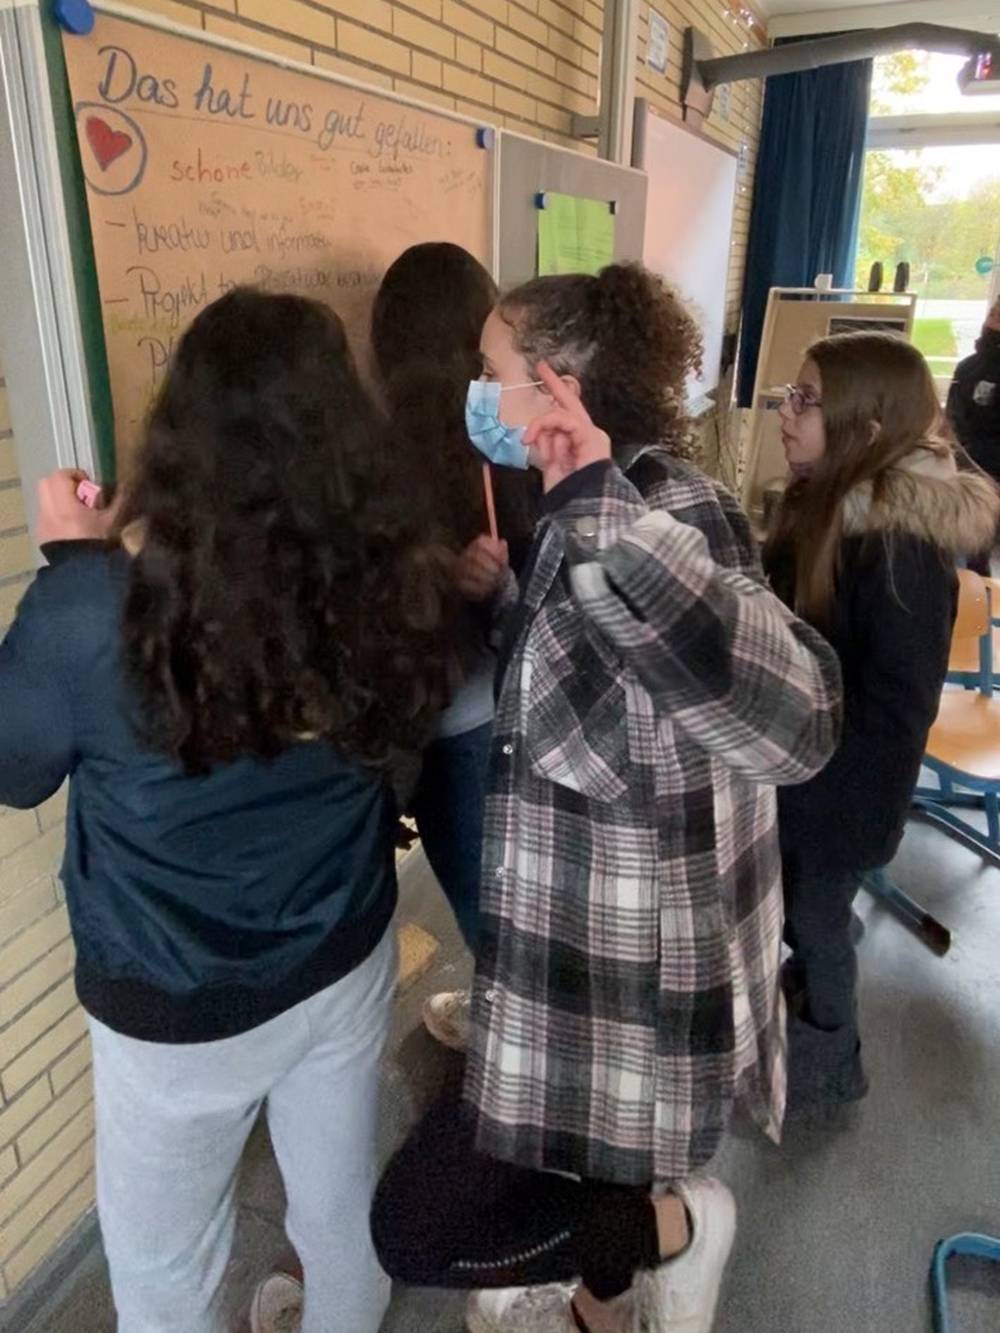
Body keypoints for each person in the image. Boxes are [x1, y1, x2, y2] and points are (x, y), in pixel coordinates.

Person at [371, 264, 842, 1333]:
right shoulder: (575, 503)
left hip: (635, 982)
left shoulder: (669, 506)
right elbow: (599, 693)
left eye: (489, 369)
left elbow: (799, 721)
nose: (474, 392)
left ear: (557, 384)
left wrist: (601, 521)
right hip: (578, 953)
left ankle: (680, 1225)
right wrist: (508, 602)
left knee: (415, 1230)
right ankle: (604, 1298)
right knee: (585, 1180)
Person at [0, 289, 454, 1333]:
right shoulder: (391, 572)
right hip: (342, 951)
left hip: (174, 1004)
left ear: (179, 435)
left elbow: (16, 770)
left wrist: (70, 561)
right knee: (338, 1205)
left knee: (165, 1267)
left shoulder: (91, 608)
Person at [764, 332, 1000, 1110]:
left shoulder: (898, 546)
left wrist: (813, 788)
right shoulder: (828, 501)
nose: (786, 412)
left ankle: (832, 1061)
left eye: (806, 400)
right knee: (805, 909)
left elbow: (897, 706)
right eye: (791, 394)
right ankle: (807, 989)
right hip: (807, 773)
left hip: (842, 792)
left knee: (817, 920)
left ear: (866, 431)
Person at [947, 295, 1000, 574]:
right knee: (969, 551)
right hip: (968, 467)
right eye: (993, 313)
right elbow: (953, 420)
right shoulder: (968, 368)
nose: (993, 321)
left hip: (992, 469)